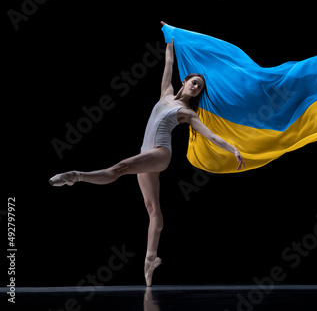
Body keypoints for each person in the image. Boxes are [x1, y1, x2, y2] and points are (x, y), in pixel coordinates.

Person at [49, 22, 245, 286]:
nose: (196, 88)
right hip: (147, 153)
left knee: (119, 168)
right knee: (152, 209)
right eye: (194, 83)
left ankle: (76, 176)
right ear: (185, 81)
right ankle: (151, 258)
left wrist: (233, 148)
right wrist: (169, 36)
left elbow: (210, 135)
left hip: (160, 153)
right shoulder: (165, 93)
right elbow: (168, 64)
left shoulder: (188, 113)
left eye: (199, 88)